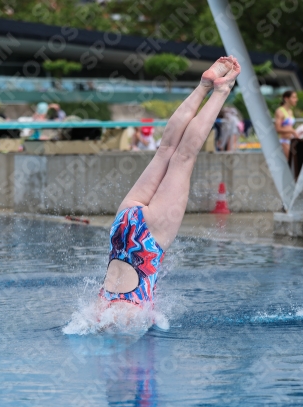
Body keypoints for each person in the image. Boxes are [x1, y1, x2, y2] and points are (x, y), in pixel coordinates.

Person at [96, 56, 241, 329]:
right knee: (165, 151)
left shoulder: (125, 315)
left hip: (149, 239)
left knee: (184, 157)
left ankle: (220, 91)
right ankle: (203, 86)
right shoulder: (99, 305)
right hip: (123, 226)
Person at [275, 90, 299, 159]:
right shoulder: (280, 111)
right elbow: (277, 129)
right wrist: (292, 131)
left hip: (292, 140)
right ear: (286, 98)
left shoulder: (290, 111)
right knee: (288, 164)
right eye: (294, 97)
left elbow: (289, 127)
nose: (296, 100)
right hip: (284, 142)